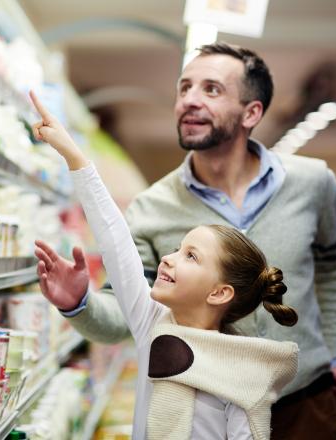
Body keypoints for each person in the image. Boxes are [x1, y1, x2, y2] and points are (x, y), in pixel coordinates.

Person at [33, 43, 336, 439]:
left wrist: (335, 351)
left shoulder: (314, 183)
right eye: (184, 87)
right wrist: (80, 304)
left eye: (211, 89)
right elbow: (122, 288)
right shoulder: (152, 208)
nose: (189, 100)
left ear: (251, 112)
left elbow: (334, 267)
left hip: (307, 400)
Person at [30, 90, 299, 440]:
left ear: (219, 292)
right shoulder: (153, 324)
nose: (168, 258)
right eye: (178, 248)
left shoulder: (242, 375)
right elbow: (116, 240)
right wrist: (73, 154)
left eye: (191, 256)